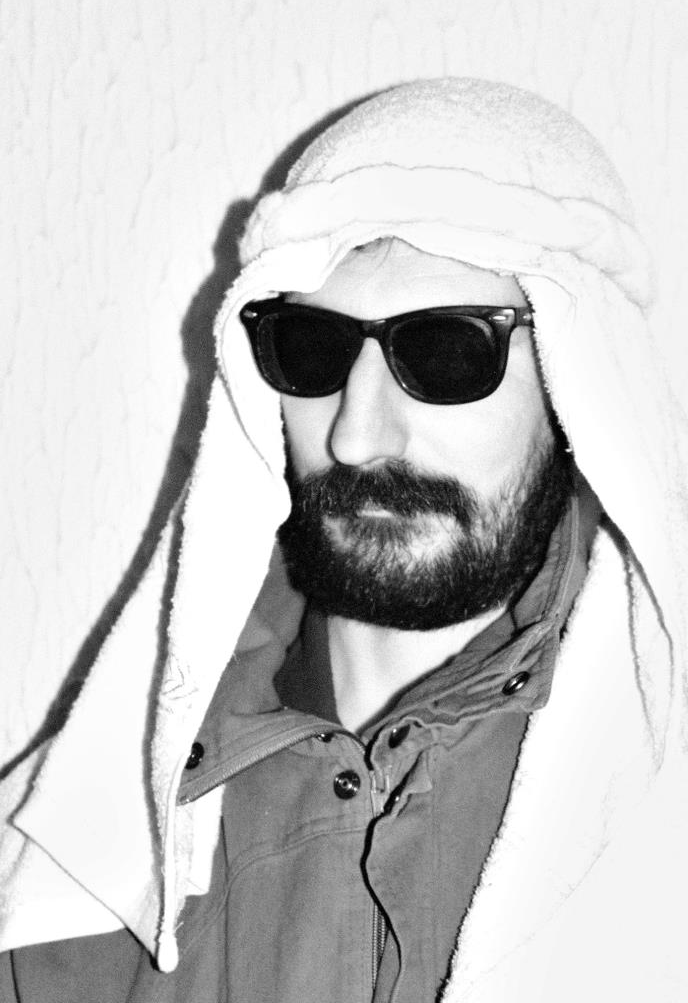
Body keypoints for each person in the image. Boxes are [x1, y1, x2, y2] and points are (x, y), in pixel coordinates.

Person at [1, 77, 688, 1003]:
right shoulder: (60, 898)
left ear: (580, 393)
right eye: (313, 350)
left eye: (446, 353)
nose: (358, 436)